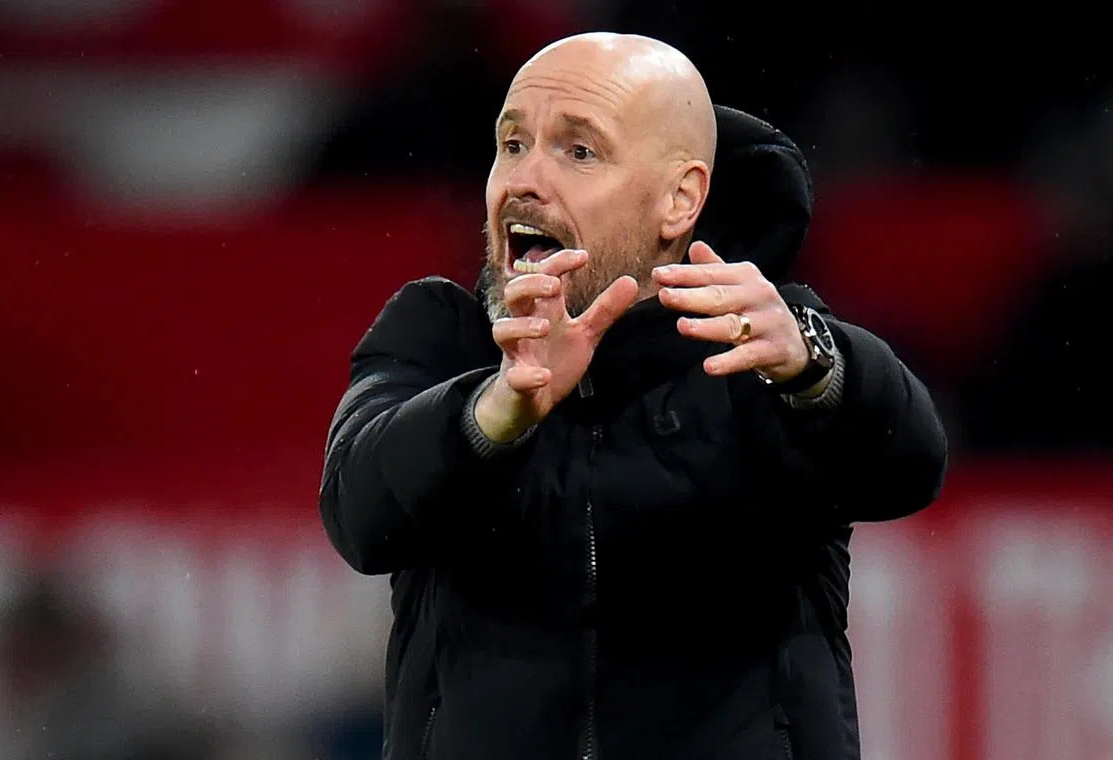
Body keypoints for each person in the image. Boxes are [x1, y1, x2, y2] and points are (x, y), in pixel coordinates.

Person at [320, 32, 947, 760]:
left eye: (578, 152)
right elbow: (358, 512)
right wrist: (496, 410)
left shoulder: (763, 352)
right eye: (513, 144)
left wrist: (816, 364)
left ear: (679, 200)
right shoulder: (440, 337)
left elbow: (912, 464)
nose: (525, 180)